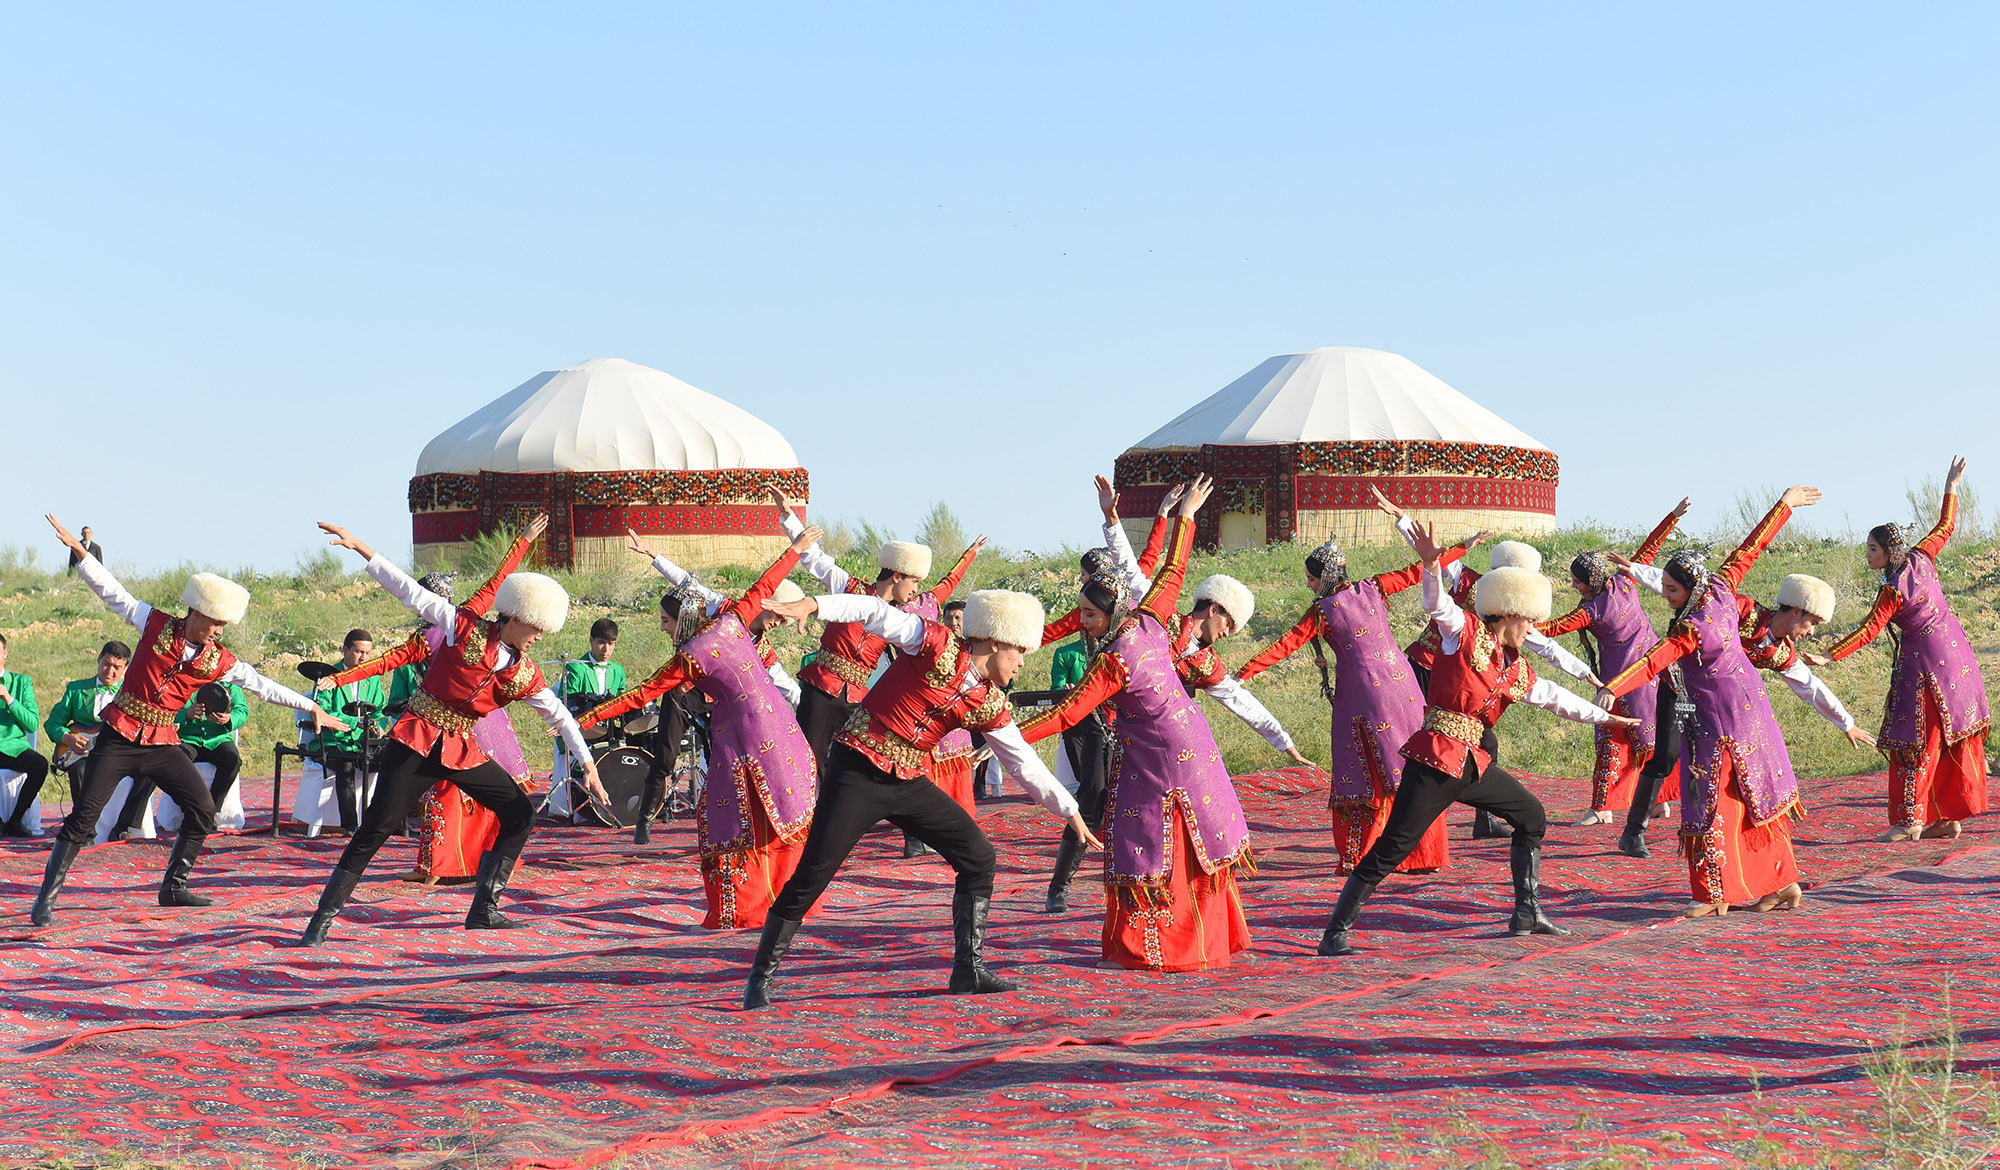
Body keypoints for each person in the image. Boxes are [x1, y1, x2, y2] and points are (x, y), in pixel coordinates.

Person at [744, 587, 1095, 1008]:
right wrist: (813, 605)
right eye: (1019, 651)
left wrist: (1070, 811)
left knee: (979, 856)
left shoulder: (988, 703)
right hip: (857, 770)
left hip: (906, 781)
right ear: (997, 641)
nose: (1022, 662)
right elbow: (874, 610)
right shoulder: (937, 643)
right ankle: (759, 980)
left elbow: (1023, 762)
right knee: (813, 876)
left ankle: (968, 970)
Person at [1316, 520, 1634, 956]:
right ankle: (1336, 931)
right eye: (1529, 621)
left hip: (1472, 765)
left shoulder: (1516, 666)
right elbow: (1437, 604)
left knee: (1532, 816)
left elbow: (1553, 697)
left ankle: (1527, 912)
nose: (1532, 629)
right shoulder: (1462, 633)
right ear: (1509, 612)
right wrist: (1431, 565)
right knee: (1393, 847)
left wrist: (1606, 719)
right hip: (1435, 761)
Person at [299, 518, 604, 944]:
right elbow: (408, 589)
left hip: (461, 747)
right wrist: (362, 549)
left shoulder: (524, 672)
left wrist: (586, 762)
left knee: (520, 811)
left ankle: (485, 909)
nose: (539, 638)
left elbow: (558, 714)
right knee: (377, 828)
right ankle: (322, 918)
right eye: (537, 629)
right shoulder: (461, 627)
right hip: (416, 737)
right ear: (516, 618)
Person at [31, 516, 340, 926]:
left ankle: (173, 885)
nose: (219, 631)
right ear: (196, 612)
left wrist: (311, 706)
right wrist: (82, 554)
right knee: (83, 816)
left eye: (224, 625)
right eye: (215, 622)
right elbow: (114, 594)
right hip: (119, 737)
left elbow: (260, 684)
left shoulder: (220, 659)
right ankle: (46, 899)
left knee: (202, 809)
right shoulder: (154, 623)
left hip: (161, 744)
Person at [1016, 477, 1257, 972]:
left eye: (1087, 615)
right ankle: (1204, 940)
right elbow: (1173, 567)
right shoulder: (1149, 619)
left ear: (1108, 613)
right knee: (1187, 836)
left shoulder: (1114, 663)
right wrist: (1185, 515)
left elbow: (1066, 712)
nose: (1081, 623)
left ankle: (1158, 948)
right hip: (1193, 743)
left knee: (1145, 840)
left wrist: (1008, 738)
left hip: (1156, 757)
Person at [577, 529, 821, 928]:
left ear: (685, 620)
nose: (661, 628)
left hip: (741, 738)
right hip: (779, 727)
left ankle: (741, 907)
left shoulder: (692, 656)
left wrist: (585, 719)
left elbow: (639, 695)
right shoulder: (735, 619)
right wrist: (795, 548)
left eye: (665, 621)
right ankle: (788, 898)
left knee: (729, 817)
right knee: (771, 810)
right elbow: (766, 583)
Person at [1599, 487, 1822, 917]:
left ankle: (1712, 894)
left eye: (1671, 591)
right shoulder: (1719, 588)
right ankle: (1784, 881)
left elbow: (1653, 662)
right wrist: (1785, 506)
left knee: (1709, 801)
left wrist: (1613, 687)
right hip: (1751, 710)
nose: (1666, 595)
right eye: (1664, 587)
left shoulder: (1693, 629)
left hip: (1716, 724)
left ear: (1688, 588)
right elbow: (1750, 548)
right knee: (1756, 795)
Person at [1234, 519, 1474, 877]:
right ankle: (1425, 856)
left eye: (1312, 579)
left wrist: (1241, 674)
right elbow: (1418, 569)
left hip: (1362, 696)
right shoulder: (1373, 587)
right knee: (1412, 766)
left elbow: (1285, 645)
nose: (1309, 584)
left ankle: (1362, 854)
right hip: (1405, 688)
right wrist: (1463, 547)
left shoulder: (1323, 611)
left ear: (1327, 578)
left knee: (1365, 772)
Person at [1379, 492, 1605, 840]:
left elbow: (1546, 647)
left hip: (1457, 680)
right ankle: (1422, 820)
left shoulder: (1509, 612)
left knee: (1481, 745)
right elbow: (1433, 555)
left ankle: (1475, 818)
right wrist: (1402, 520)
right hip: (1431, 672)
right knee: (1437, 747)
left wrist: (1586, 673)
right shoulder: (1477, 587)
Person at [1813, 456, 1990, 843]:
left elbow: (1867, 631)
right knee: (1946, 736)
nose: (1868, 556)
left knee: (1916, 740)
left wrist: (1828, 655)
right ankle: (1946, 817)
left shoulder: (1893, 590)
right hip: (1957, 658)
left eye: (1872, 549)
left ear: (1888, 551)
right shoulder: (1922, 556)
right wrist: (1951, 487)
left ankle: (1910, 820)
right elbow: (1946, 525)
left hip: (1923, 668)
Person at [771, 486, 984, 766]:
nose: (916, 590)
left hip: (858, 700)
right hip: (821, 689)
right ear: (897, 576)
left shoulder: (900, 619)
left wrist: (968, 556)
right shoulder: (849, 588)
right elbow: (816, 559)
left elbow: (945, 588)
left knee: (861, 764)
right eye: (914, 582)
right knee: (808, 763)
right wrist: (789, 517)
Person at [1537, 498, 1690, 828]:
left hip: (1620, 683)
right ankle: (1657, 803)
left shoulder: (1591, 611)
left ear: (1589, 582)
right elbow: (1649, 550)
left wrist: (1517, 624)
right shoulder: (1625, 581)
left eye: (1576, 582)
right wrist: (1673, 517)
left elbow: (1552, 628)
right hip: (1655, 672)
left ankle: (1601, 808)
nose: (1574, 586)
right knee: (1653, 739)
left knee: (1612, 740)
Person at [310, 629, 391, 835]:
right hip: (333, 742)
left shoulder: (371, 676)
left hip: (361, 743)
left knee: (392, 761)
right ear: (345, 650)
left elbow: (380, 707)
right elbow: (323, 710)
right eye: (358, 652)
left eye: (368, 653)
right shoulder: (327, 675)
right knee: (346, 767)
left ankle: (384, 821)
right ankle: (351, 826)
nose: (364, 658)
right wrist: (356, 722)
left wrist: (377, 726)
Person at [39, 642, 130, 818]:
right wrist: (67, 738)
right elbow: (52, 724)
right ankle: (84, 828)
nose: (110, 671)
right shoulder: (76, 690)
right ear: (98, 659)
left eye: (117, 667)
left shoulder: (131, 694)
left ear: (125, 668)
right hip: (84, 755)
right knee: (79, 770)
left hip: (118, 755)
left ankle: (124, 825)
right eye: (106, 664)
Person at [0, 634, 50, 837]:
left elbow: (33, 723)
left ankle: (16, 819)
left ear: (5, 653)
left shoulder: (21, 683)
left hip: (13, 747)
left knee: (39, 764)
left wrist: (9, 698)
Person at [175, 680, 247, 809]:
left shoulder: (229, 684)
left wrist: (229, 719)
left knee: (232, 759)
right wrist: (186, 715)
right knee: (175, 761)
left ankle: (211, 809)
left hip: (217, 739)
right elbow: (167, 710)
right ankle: (190, 808)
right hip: (188, 739)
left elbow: (242, 710)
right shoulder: (183, 680)